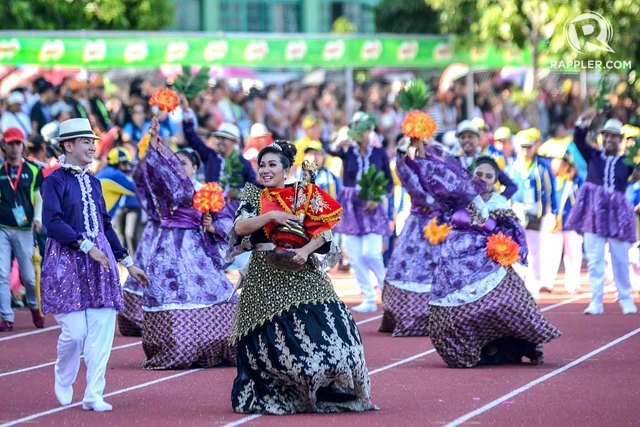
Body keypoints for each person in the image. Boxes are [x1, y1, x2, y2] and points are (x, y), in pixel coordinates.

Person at [228, 140, 375, 414]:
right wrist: (272, 215)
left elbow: (324, 232)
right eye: (262, 165)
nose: (265, 170)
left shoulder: (303, 193)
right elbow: (240, 227)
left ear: (287, 170)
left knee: (331, 322)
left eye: (272, 165)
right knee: (268, 337)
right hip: (264, 273)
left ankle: (329, 386)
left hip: (301, 266)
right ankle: (283, 390)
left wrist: (306, 251)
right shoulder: (252, 194)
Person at [407, 143, 561, 367]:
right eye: (479, 173)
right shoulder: (457, 195)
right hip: (454, 264)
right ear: (471, 174)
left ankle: (508, 345)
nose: (483, 178)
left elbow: (514, 231)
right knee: (453, 312)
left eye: (489, 176)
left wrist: (507, 250)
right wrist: (420, 154)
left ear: (495, 181)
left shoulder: (499, 203)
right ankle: (466, 348)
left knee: (508, 302)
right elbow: (435, 179)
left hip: (486, 259)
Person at [40, 118, 148, 411]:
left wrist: (128, 262)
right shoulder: (53, 181)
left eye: (92, 141)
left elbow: (105, 225)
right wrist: (86, 246)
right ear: (68, 145)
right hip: (68, 259)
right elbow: (52, 222)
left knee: (102, 329)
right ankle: (64, 375)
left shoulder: (95, 181)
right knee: (74, 333)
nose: (92, 146)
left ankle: (93, 394)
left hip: (100, 260)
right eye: (86, 141)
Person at [139, 118, 237, 370]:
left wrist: (212, 226)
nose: (179, 167)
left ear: (195, 166)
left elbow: (226, 220)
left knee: (214, 291)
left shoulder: (208, 190)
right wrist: (154, 146)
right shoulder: (169, 188)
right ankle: (177, 347)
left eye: (183, 163)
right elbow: (154, 173)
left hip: (198, 247)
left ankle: (215, 346)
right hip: (169, 246)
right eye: (176, 163)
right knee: (171, 292)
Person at [565, 112, 638, 315]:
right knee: (595, 259)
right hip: (593, 214)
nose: (609, 139)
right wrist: (585, 120)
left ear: (620, 140)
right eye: (606, 135)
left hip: (618, 216)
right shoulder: (593, 155)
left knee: (620, 258)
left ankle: (625, 298)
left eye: (613, 136)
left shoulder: (628, 162)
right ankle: (596, 300)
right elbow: (578, 139)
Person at [330, 113, 393, 313]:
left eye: (364, 129)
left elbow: (389, 182)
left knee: (371, 253)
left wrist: (377, 198)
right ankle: (368, 297)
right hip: (351, 207)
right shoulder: (347, 152)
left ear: (370, 131)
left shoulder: (379, 153)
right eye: (356, 129)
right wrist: (342, 141)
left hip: (372, 206)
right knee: (356, 256)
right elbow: (329, 150)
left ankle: (387, 290)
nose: (361, 134)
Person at [379, 137, 441, 337]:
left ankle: (443, 317)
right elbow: (407, 176)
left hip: (441, 228)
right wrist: (403, 150)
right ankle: (408, 318)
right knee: (405, 268)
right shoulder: (408, 167)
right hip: (416, 228)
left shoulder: (444, 170)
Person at [0, 127, 44, 331]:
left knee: (28, 276)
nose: (14, 147)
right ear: (4, 145)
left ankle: (34, 306)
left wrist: (37, 218)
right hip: (3, 229)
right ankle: (7, 317)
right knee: (2, 274)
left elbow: (38, 196)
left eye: (18, 143)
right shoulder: (1, 172)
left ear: (23, 145)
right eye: (11, 143)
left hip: (25, 230)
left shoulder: (33, 170)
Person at [508, 129, 558, 297]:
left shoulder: (541, 168)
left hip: (535, 212)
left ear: (534, 148)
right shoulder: (512, 167)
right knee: (516, 248)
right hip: (516, 211)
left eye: (528, 147)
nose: (525, 150)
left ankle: (534, 284)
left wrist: (554, 211)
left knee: (535, 249)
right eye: (522, 147)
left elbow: (550, 190)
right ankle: (518, 284)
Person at [545, 154, 584, 294]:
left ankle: (573, 283)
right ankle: (547, 282)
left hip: (572, 222)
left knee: (573, 253)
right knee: (551, 253)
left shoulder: (576, 181)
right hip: (554, 222)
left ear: (567, 165)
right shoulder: (551, 180)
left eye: (559, 164)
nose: (556, 168)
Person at [454, 120, 517, 199]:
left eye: (470, 136)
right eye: (463, 137)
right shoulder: (454, 162)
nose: (466, 140)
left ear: (478, 138)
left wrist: (497, 201)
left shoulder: (487, 161)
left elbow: (511, 186)